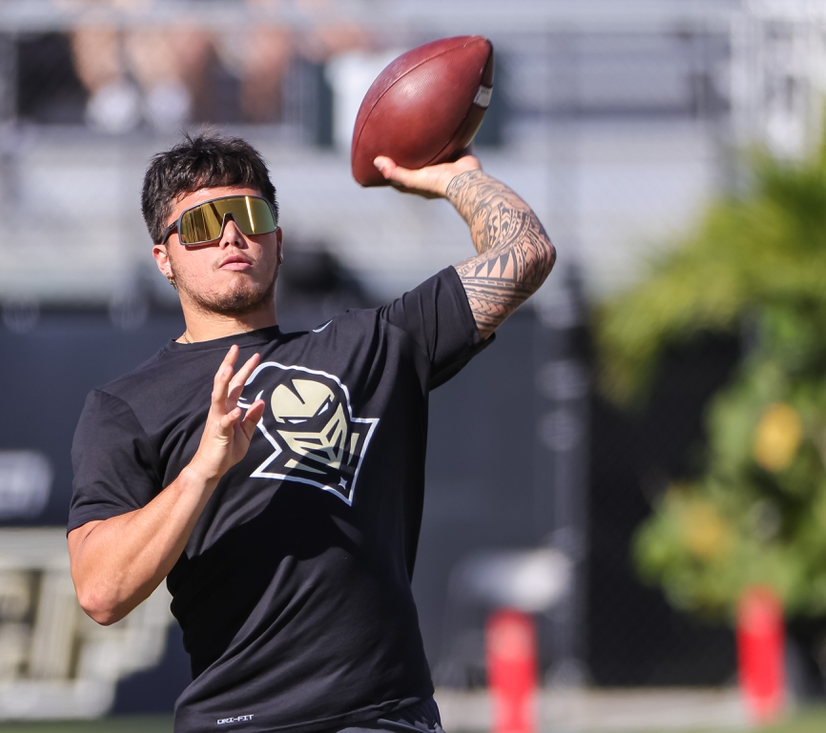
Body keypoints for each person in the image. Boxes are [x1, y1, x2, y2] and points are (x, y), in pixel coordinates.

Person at [67, 133, 556, 733]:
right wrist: (204, 468)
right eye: (200, 223)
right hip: (240, 721)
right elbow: (101, 592)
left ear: (278, 239)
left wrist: (457, 178)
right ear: (163, 258)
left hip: (384, 718)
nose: (230, 234)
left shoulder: (368, 347)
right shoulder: (127, 406)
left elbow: (527, 252)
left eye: (250, 215)